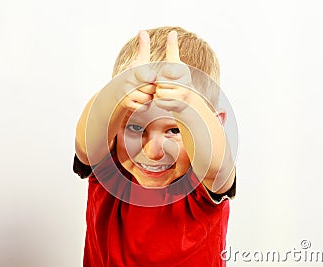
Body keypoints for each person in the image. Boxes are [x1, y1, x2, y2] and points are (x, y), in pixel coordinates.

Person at [73, 26, 236, 267]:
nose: (152, 151)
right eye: (136, 128)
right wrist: (115, 94)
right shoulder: (110, 169)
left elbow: (217, 164)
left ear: (216, 123)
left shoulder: (201, 185)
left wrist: (188, 103)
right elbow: (86, 142)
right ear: (115, 123)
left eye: (175, 130)